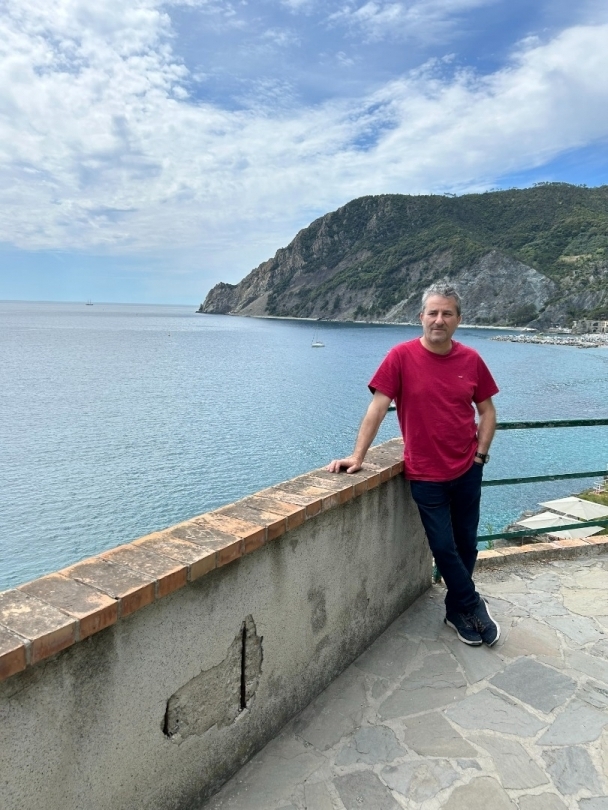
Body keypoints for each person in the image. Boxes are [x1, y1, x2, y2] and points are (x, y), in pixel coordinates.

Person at [328, 282, 500, 646]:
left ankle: (457, 611)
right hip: (425, 474)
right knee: (443, 546)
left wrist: (480, 457)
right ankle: (473, 604)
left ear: (458, 319)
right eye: (433, 313)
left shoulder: (471, 359)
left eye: (447, 313)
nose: (439, 320)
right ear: (421, 317)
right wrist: (358, 456)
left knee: (467, 544)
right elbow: (377, 408)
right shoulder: (400, 357)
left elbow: (487, 411)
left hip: (468, 469)